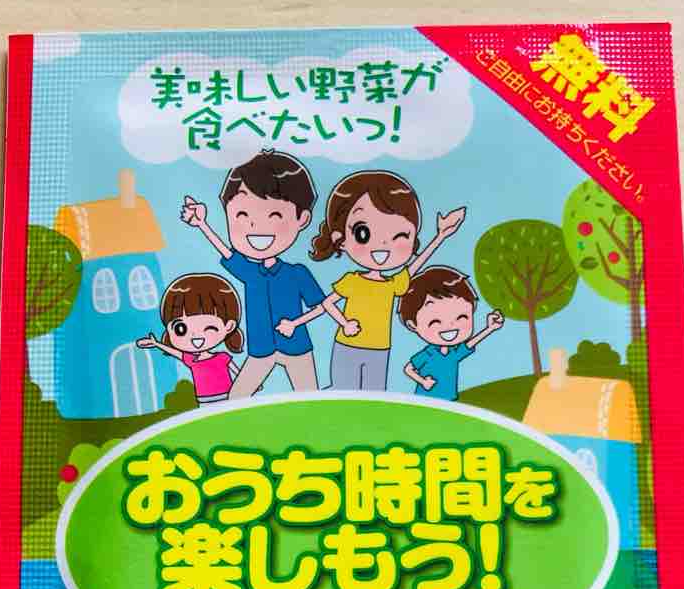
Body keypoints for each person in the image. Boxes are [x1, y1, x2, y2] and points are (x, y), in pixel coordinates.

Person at [275, 170, 465, 391]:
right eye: (363, 233)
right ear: (340, 239)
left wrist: (440, 236)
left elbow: (413, 268)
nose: (383, 244)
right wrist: (339, 323)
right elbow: (326, 304)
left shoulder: (392, 284)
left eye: (399, 236)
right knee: (343, 391)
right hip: (348, 345)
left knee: (373, 395)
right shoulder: (352, 281)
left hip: (380, 349)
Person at [180, 150, 327, 396]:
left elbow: (321, 306)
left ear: (302, 219)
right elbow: (228, 254)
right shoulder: (251, 273)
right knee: (237, 397)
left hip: (296, 346)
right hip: (261, 348)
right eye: (242, 215)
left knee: (310, 398)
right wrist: (202, 224)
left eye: (275, 215)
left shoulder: (297, 273)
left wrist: (295, 323)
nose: (255, 226)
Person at [398, 266, 504, 401]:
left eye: (461, 317)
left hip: (449, 399)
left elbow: (469, 344)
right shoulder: (428, 354)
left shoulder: (453, 353)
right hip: (426, 400)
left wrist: (490, 328)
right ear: (413, 325)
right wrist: (423, 381)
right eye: (435, 321)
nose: (450, 327)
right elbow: (408, 369)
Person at [136, 273, 242, 405]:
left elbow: (239, 374)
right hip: (203, 401)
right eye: (181, 329)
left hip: (227, 397)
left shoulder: (222, 357)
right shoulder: (191, 360)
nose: (196, 337)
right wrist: (156, 344)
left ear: (229, 326)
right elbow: (175, 352)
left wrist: (251, 384)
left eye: (209, 327)